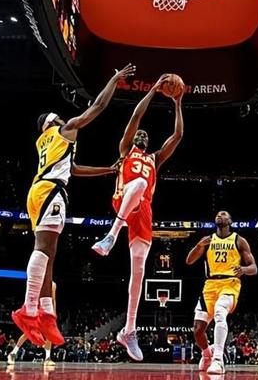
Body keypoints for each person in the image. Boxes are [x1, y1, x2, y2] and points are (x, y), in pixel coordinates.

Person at [13, 64, 135, 346]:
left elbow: (73, 169)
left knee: (49, 254)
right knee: (43, 249)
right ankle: (28, 310)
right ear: (53, 123)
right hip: (50, 192)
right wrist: (114, 79)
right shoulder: (64, 130)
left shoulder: (46, 143)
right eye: (59, 117)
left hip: (41, 190)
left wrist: (107, 170)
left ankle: (46, 312)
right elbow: (97, 107)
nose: (65, 118)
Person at [91, 74, 184, 360]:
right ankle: (111, 235)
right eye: (138, 134)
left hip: (143, 212)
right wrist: (154, 90)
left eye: (145, 135)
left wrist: (178, 103)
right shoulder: (125, 150)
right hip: (123, 199)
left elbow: (177, 137)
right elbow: (136, 115)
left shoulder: (154, 158)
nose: (142, 135)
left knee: (139, 272)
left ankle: (129, 330)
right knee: (140, 184)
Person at [186, 211, 257, 374]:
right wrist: (199, 246)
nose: (219, 216)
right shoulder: (208, 240)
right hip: (210, 285)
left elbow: (254, 268)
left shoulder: (239, 240)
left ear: (230, 221)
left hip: (230, 283)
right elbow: (189, 261)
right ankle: (207, 354)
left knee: (220, 312)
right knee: (197, 330)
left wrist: (244, 269)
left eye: (223, 214)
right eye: (218, 214)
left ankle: (218, 360)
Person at [8, 282, 58, 366]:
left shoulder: (53, 285)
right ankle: (13, 353)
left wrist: (54, 312)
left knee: (49, 334)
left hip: (47, 310)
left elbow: (53, 299)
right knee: (28, 333)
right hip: (36, 309)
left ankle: (47, 358)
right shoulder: (38, 282)